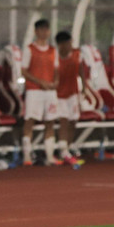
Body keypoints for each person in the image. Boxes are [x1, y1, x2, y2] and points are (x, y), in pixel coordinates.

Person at [21, 19, 59, 166]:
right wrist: (39, 81)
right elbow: (24, 71)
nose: (44, 32)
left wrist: (55, 82)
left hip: (49, 91)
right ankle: (27, 155)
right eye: (41, 29)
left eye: (46, 29)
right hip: (34, 91)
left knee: (50, 121)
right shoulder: (29, 49)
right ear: (36, 31)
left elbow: (56, 70)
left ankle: (49, 155)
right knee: (30, 120)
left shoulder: (52, 51)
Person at [55, 31, 84, 161]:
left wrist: (84, 89)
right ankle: (63, 150)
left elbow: (82, 71)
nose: (69, 46)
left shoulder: (77, 54)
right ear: (60, 45)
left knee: (73, 120)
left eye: (70, 43)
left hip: (73, 93)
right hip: (59, 95)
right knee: (64, 121)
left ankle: (69, 145)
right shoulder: (54, 57)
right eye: (66, 43)